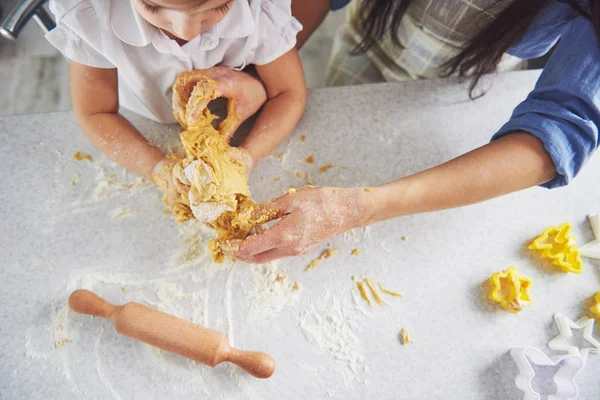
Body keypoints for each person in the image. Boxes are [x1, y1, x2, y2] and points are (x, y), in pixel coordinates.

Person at [226, 0, 600, 263]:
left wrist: (361, 207)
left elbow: (559, 128)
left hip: (464, 96)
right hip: (366, 48)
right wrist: (270, 76)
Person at [45, 0, 307, 205]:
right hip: (139, 111)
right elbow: (96, 112)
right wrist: (159, 168)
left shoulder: (260, 8)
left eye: (219, 7)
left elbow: (288, 92)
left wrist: (244, 158)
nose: (187, 31)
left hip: (237, 105)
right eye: (153, 7)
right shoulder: (92, 13)